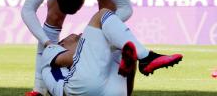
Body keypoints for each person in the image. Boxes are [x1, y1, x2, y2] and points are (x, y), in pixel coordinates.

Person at [41, 9, 183, 96]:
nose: (79, 35)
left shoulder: (91, 60)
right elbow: (67, 59)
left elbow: (127, 91)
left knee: (123, 48)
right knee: (102, 15)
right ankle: (146, 58)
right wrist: (102, 45)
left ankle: (142, 59)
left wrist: (129, 66)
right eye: (77, 37)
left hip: (106, 90)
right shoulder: (51, 50)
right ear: (62, 43)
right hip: (77, 88)